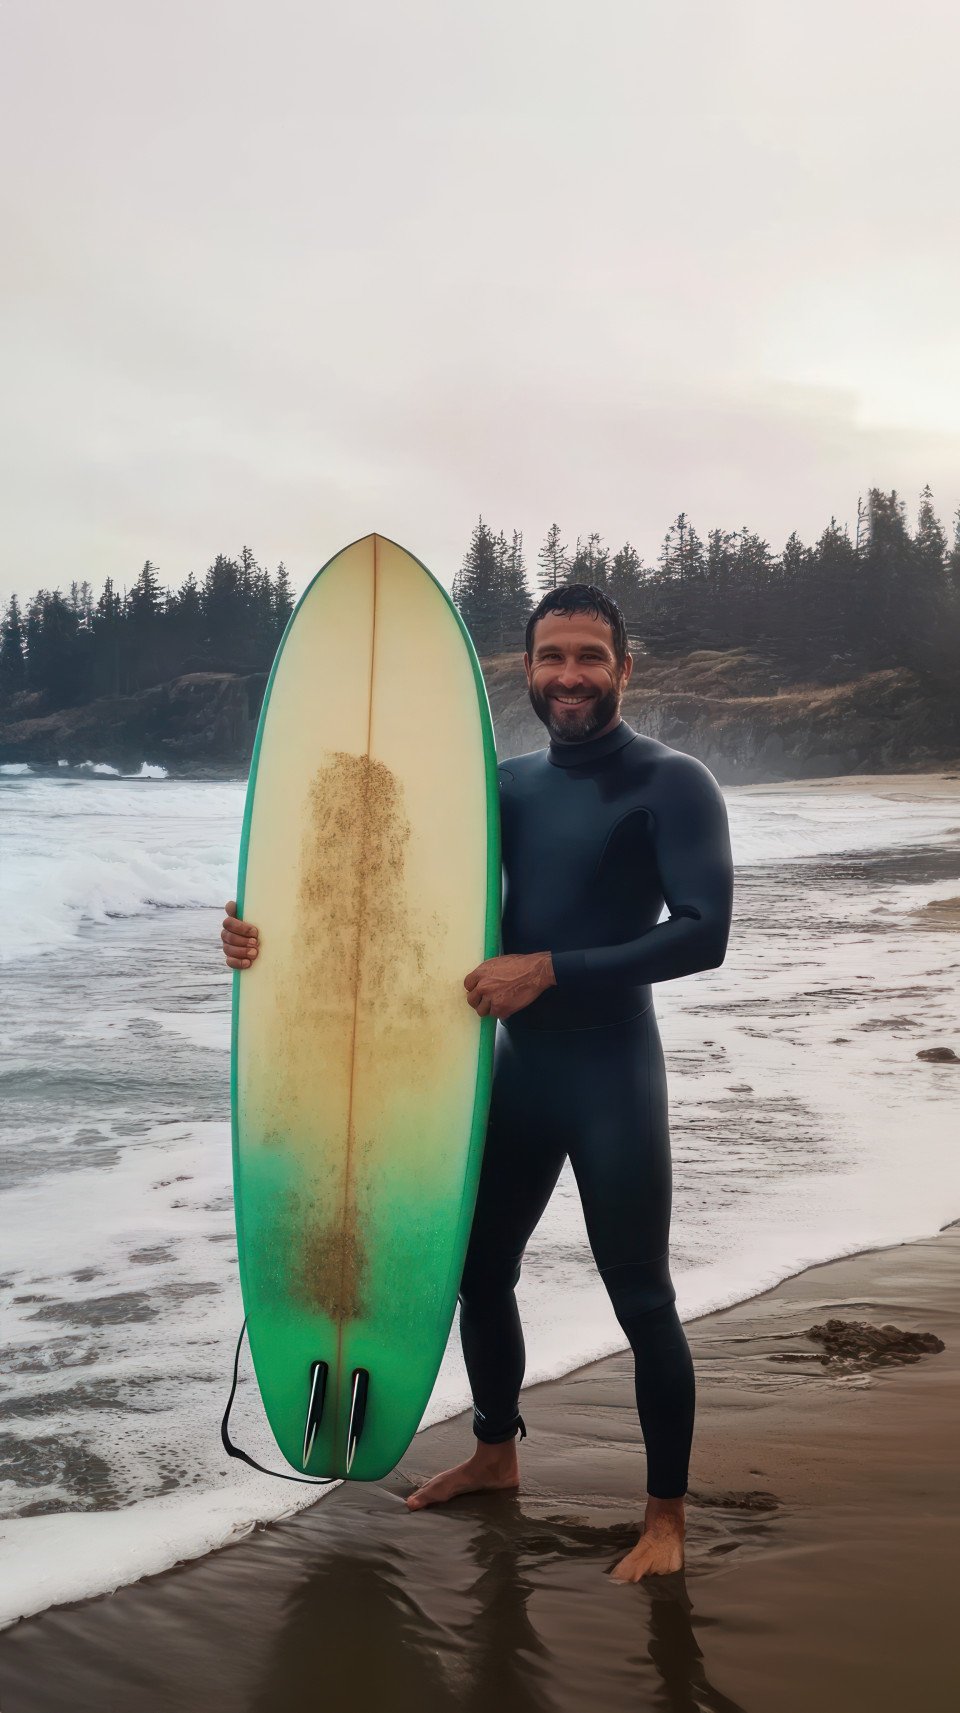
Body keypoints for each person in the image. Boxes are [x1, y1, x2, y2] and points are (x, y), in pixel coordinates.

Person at [221, 583, 734, 1582]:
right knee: (475, 1273)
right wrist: (259, 933)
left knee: (640, 1296)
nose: (571, 676)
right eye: (552, 658)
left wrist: (546, 968)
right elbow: (389, 893)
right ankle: (497, 1452)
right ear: (526, 671)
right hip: (516, 1072)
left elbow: (702, 934)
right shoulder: (499, 788)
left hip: (612, 1070)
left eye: (591, 656)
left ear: (624, 669)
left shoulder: (674, 784)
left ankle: (665, 1517)